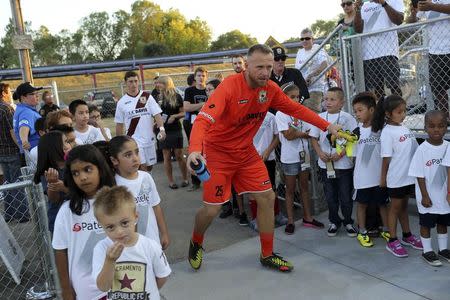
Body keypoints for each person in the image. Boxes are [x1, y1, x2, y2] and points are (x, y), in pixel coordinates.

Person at [186, 44, 341, 273]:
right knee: (212, 209)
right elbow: (203, 120)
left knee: (267, 198)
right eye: (259, 67)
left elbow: (296, 110)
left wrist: (328, 125)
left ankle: (267, 254)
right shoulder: (229, 87)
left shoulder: (269, 89)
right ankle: (196, 240)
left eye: (269, 67)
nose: (265, 72)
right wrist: (195, 149)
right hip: (218, 154)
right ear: (246, 66)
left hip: (246, 153)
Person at [52, 144, 115, 300]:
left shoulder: (117, 202)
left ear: (100, 168)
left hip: (121, 284)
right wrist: (66, 290)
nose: (83, 177)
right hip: (87, 292)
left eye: (88, 169)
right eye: (75, 173)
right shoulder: (67, 211)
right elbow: (60, 251)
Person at [92, 186, 171, 300]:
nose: (119, 232)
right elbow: (103, 287)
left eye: (124, 223)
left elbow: (162, 276)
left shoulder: (150, 246)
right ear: (101, 226)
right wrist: (110, 261)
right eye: (110, 227)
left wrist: (150, 292)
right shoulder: (101, 249)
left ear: (136, 217)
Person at [372, 95, 423, 257]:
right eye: (399, 112)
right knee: (394, 209)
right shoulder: (387, 132)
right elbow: (386, 159)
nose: (403, 114)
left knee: (403, 208)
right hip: (395, 178)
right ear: (388, 113)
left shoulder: (405, 128)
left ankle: (407, 236)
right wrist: (382, 179)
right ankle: (392, 240)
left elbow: (414, 151)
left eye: (404, 111)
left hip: (408, 177)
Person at [276, 83, 324, 235]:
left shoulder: (301, 111)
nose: (296, 100)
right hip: (289, 157)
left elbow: (309, 130)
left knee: (304, 187)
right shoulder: (281, 114)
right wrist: (302, 134)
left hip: (304, 155)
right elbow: (288, 135)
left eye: (298, 97)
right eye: (292, 97)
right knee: (290, 189)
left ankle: (307, 217)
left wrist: (299, 132)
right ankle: (290, 221)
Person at [309, 87, 358, 237]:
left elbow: (353, 139)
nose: (327, 102)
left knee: (345, 195)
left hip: (343, 165)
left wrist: (341, 153)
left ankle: (348, 221)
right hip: (326, 164)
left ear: (341, 102)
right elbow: (314, 138)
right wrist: (319, 153)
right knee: (330, 196)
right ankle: (333, 221)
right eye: (325, 99)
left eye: (332, 99)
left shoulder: (347, 118)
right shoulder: (319, 117)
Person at [110, 136, 170, 249]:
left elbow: (155, 206)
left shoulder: (146, 177)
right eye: (128, 155)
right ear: (114, 160)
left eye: (137, 152)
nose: (135, 158)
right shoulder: (114, 185)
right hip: (130, 246)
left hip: (153, 240)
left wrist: (164, 233)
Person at [408, 110, 450, 266]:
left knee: (442, 222)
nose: (436, 130)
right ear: (425, 128)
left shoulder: (448, 146)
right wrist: (425, 196)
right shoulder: (422, 150)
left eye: (441, 126)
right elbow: (419, 175)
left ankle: (443, 249)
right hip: (428, 196)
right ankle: (427, 251)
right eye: (432, 126)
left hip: (444, 196)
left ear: (446, 127)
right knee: (426, 224)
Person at [352, 92, 390, 247]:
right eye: (355, 111)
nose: (357, 114)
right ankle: (362, 232)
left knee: (382, 204)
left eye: (360, 110)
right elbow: (352, 153)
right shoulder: (356, 131)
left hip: (379, 176)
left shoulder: (382, 129)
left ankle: (387, 230)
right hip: (362, 177)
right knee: (362, 205)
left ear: (372, 110)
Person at [115, 71, 166, 172]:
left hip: (149, 138)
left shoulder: (147, 97)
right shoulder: (122, 102)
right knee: (141, 166)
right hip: (133, 139)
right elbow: (119, 124)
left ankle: (147, 181)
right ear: (125, 83)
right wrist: (118, 142)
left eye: (135, 81)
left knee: (149, 166)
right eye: (130, 82)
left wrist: (162, 129)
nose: (133, 84)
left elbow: (157, 114)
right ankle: (145, 186)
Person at [354, 0, 404, 99]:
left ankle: (398, 112)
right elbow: (358, 30)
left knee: (394, 85)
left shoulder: (394, 1)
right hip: (368, 53)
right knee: (377, 91)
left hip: (387, 51)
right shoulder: (364, 4)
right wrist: (358, 9)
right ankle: (381, 113)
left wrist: (383, 3)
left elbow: (399, 20)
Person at [408, 0, 450, 113]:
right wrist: (413, 12)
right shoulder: (426, 2)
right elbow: (411, 21)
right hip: (435, 51)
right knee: (437, 86)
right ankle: (447, 117)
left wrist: (432, 6)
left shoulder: (430, 4)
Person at [0, 82, 28, 223]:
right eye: (9, 92)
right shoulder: (7, 109)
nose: (10, 94)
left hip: (1, 152)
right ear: (4, 93)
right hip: (12, 151)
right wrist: (22, 148)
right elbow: (12, 132)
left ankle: (10, 214)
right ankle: (22, 213)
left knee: (7, 183)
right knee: (18, 182)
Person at [33, 131, 71, 233]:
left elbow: (82, 193)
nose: (69, 145)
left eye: (68, 142)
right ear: (54, 148)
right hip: (59, 219)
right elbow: (54, 199)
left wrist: (64, 187)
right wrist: (52, 184)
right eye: (66, 142)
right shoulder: (48, 171)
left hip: (78, 216)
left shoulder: (74, 166)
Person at [156, 76, 189, 189]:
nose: (157, 85)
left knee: (179, 155)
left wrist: (174, 116)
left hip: (175, 129)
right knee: (166, 156)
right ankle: (171, 181)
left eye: (160, 83)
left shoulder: (177, 96)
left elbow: (184, 113)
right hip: (162, 130)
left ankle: (185, 178)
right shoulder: (156, 97)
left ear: (166, 83)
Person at [183, 67, 208, 191]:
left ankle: (208, 178)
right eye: (198, 75)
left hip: (208, 124)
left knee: (207, 150)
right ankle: (196, 181)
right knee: (194, 150)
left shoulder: (209, 89)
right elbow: (186, 107)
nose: (201, 78)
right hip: (193, 123)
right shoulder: (189, 91)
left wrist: (196, 107)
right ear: (195, 77)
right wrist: (203, 105)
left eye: (203, 75)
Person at [295, 28, 329, 113]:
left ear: (312, 39)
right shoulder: (300, 52)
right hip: (302, 87)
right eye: (302, 39)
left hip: (315, 87)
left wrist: (311, 76)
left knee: (310, 111)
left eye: (307, 38)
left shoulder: (318, 49)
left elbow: (324, 64)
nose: (304, 41)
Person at [12, 82, 42, 153]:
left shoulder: (21, 109)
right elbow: (23, 127)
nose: (37, 96)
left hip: (30, 152)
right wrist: (24, 141)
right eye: (32, 94)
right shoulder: (26, 112)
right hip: (34, 152)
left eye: (37, 93)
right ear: (23, 97)